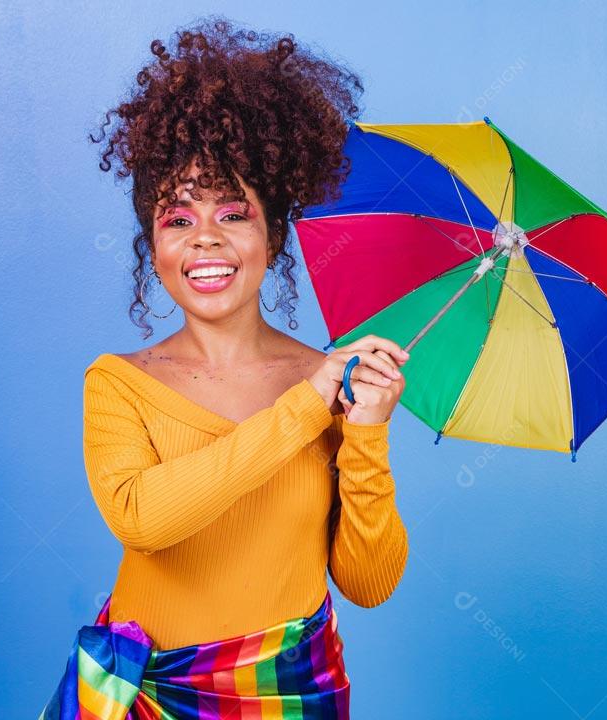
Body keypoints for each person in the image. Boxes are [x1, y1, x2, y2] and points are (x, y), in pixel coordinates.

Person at [42, 17, 410, 719]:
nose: (205, 236)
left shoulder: (333, 384)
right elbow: (145, 519)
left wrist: (365, 435)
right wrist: (303, 410)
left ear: (273, 234)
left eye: (233, 212)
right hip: (145, 696)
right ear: (153, 248)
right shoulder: (118, 383)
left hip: (289, 693)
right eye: (177, 218)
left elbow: (367, 583)